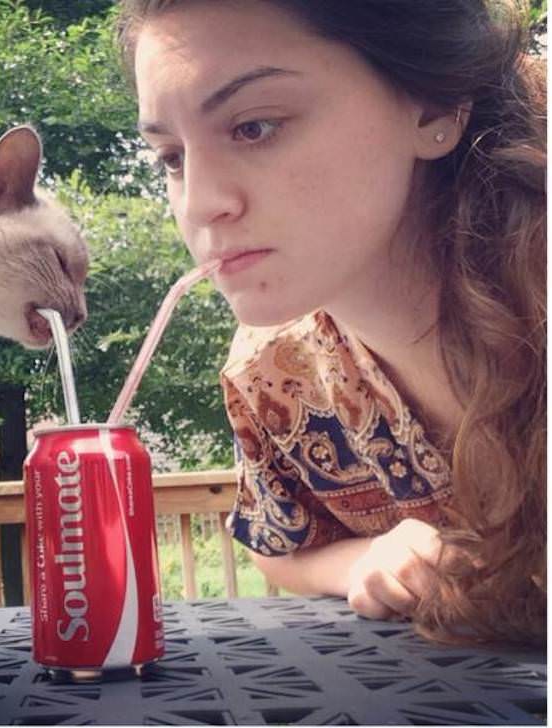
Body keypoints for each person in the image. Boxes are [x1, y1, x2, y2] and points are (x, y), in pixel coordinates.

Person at [116, 0, 546, 645]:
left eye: (255, 127)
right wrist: (366, 560)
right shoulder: (275, 371)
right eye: (171, 158)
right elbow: (278, 543)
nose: (200, 205)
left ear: (432, 107)